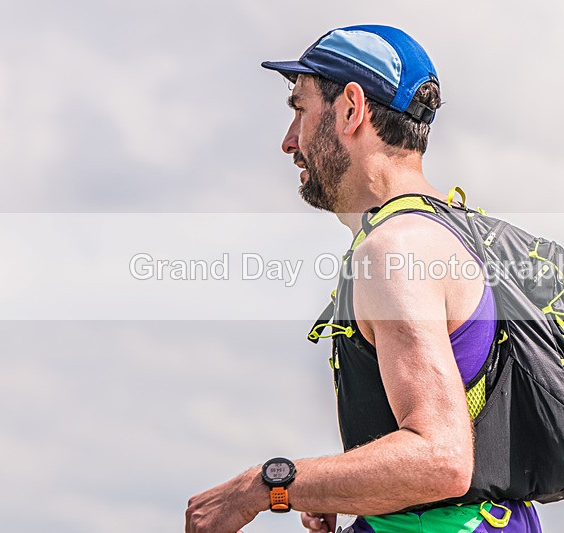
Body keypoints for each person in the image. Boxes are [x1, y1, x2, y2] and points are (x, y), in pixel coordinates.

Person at [185, 25, 543, 533]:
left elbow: (440, 456)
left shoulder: (392, 251)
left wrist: (263, 487)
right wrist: (342, 485)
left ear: (351, 109)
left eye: (300, 110)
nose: (289, 142)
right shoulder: (453, 230)